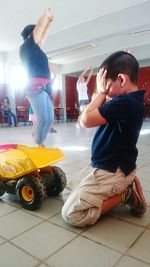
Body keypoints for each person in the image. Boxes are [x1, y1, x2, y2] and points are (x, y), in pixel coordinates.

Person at [62, 51, 147, 227]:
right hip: (102, 165)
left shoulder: (126, 103)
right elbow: (83, 118)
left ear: (122, 80)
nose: (105, 89)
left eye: (107, 84)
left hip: (112, 171)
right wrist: (104, 92)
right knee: (67, 191)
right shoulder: (126, 99)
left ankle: (126, 193)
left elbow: (85, 121)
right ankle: (124, 185)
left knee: (72, 214)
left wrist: (101, 93)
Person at [20, 8, 54, 147]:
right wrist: (45, 16)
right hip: (34, 88)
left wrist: (50, 22)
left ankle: (40, 142)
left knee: (50, 119)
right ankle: (39, 144)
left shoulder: (36, 49)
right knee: (43, 118)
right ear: (30, 36)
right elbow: (39, 28)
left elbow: (43, 33)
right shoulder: (26, 47)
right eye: (36, 34)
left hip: (43, 88)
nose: (40, 37)